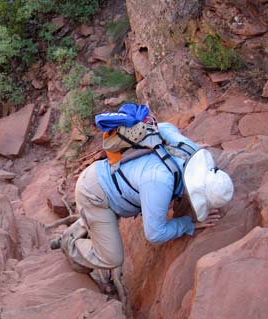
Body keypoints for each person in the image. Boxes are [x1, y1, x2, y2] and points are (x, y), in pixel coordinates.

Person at [51, 121, 234, 304]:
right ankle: (70, 244)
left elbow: (164, 127)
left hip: (105, 180)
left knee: (99, 222)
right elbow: (155, 233)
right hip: (95, 195)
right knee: (112, 257)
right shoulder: (160, 181)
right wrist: (187, 224)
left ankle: (86, 225)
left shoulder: (189, 150)